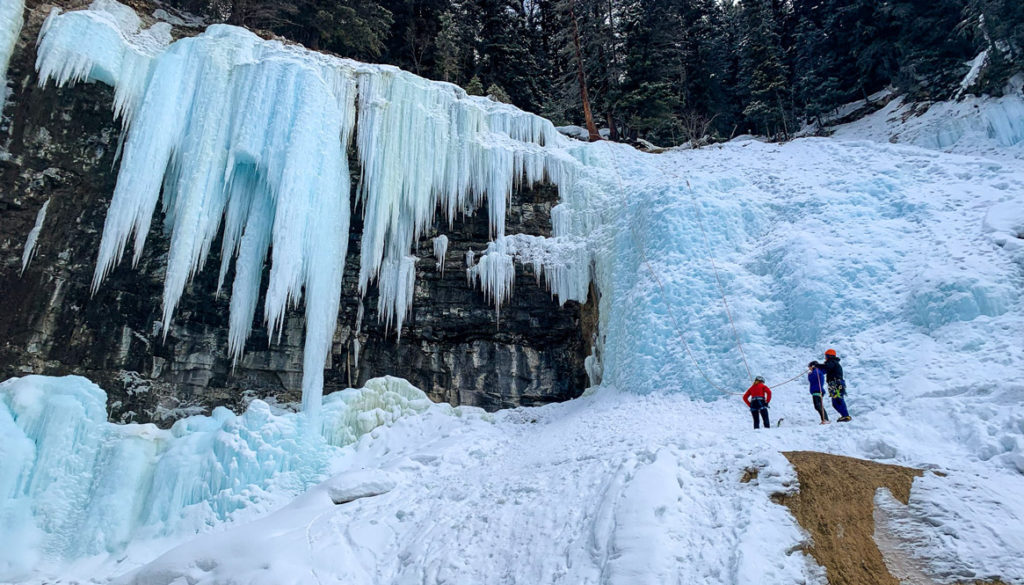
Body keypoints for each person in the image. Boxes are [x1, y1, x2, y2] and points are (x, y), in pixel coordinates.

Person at [822, 349, 852, 422]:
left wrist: (817, 366)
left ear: (829, 356)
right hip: (835, 384)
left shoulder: (832, 362)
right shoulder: (834, 363)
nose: (825, 358)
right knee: (836, 401)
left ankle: (846, 416)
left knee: (838, 400)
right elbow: (825, 369)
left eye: (826, 356)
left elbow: (826, 367)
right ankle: (844, 415)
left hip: (836, 384)